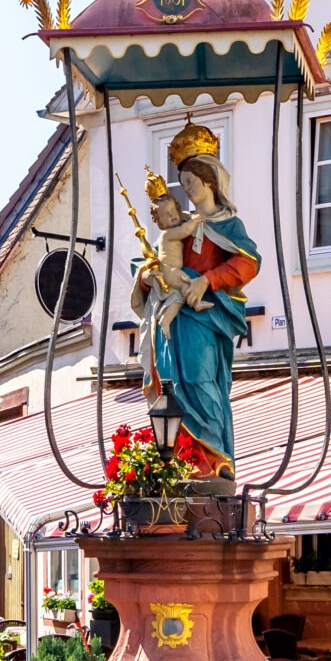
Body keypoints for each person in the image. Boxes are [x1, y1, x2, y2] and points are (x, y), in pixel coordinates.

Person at [130, 123, 257, 479]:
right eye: (182, 184)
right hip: (174, 317)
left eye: (191, 183)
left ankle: (215, 460)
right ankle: (181, 460)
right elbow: (155, 260)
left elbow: (248, 262)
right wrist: (146, 277)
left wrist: (208, 280)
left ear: (211, 180)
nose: (187, 191)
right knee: (172, 386)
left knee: (202, 381)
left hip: (205, 319)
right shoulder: (180, 224)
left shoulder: (227, 224)